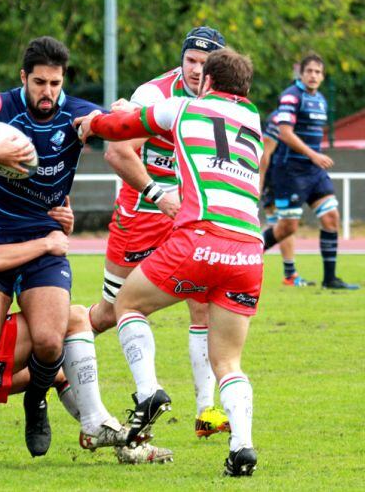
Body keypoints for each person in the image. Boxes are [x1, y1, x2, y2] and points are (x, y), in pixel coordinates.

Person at [75, 47, 262, 477]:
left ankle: (148, 391)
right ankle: (241, 447)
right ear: (246, 89)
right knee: (229, 361)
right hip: (249, 249)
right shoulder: (254, 120)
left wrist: (93, 121)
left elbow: (123, 126)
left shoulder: (183, 107)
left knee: (127, 304)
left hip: (200, 236)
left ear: (208, 82)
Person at [0, 166, 173, 471]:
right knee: (74, 320)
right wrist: (47, 242)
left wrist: (55, 223)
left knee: (60, 371)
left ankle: (121, 441)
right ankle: (89, 423)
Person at [0, 36, 105, 458]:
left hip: (46, 241)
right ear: (23, 78)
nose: (48, 92)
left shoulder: (76, 112)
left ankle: (36, 400)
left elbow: (110, 130)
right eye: (40, 82)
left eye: (55, 83)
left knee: (50, 342)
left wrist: (110, 119)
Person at [87, 26, 230, 439]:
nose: (197, 70)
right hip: (141, 214)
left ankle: (207, 412)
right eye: (190, 61)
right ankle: (61, 353)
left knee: (203, 305)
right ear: (180, 58)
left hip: (187, 220)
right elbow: (117, 150)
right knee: (109, 313)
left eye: (205, 64)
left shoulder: (223, 99)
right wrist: (156, 193)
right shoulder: (154, 95)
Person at [261, 54, 358, 290]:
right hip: (290, 172)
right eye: (310, 71)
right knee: (287, 228)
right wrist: (313, 155)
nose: (313, 75)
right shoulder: (291, 97)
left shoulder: (322, 101)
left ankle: (330, 279)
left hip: (314, 172)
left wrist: (314, 159)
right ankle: (247, 253)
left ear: (322, 76)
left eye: (318, 72)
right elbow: (284, 133)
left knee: (331, 217)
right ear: (301, 74)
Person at [258, 111, 310, 286]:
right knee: (284, 226)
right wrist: (260, 182)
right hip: (275, 182)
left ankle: (290, 274)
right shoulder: (278, 119)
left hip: (286, 180)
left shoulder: (301, 118)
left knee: (282, 227)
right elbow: (265, 154)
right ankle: (243, 257)